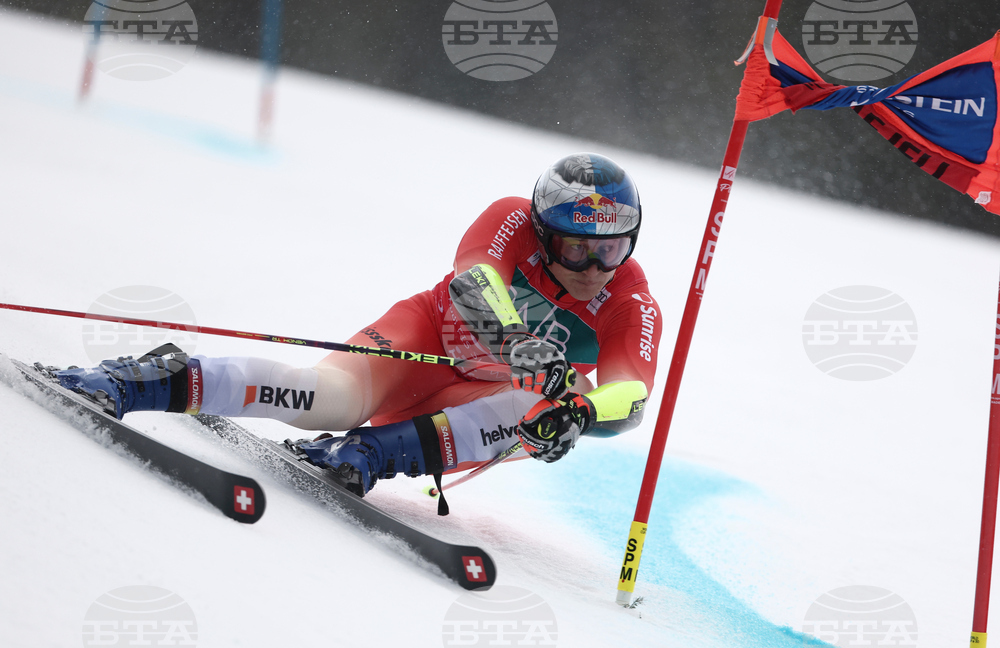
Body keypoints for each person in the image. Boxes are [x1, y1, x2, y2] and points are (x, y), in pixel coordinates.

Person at [55, 153, 663, 498]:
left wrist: (581, 415)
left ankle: (368, 454)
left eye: (610, 250)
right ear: (540, 228)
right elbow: (473, 283)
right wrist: (521, 345)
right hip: (423, 340)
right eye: (574, 247)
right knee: (330, 398)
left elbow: (629, 395)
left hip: (466, 410)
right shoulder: (510, 219)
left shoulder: (631, 302)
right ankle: (145, 380)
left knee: (554, 410)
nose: (592, 268)